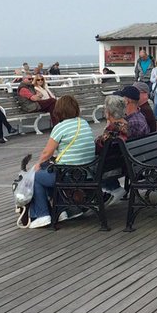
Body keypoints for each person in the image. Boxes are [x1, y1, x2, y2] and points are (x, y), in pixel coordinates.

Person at [24, 94, 99, 229]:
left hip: (69, 175)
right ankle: (65, 210)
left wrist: (38, 164)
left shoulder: (61, 127)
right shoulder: (84, 123)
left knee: (37, 176)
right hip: (86, 172)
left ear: (59, 111)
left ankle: (42, 215)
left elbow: (47, 152)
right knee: (50, 171)